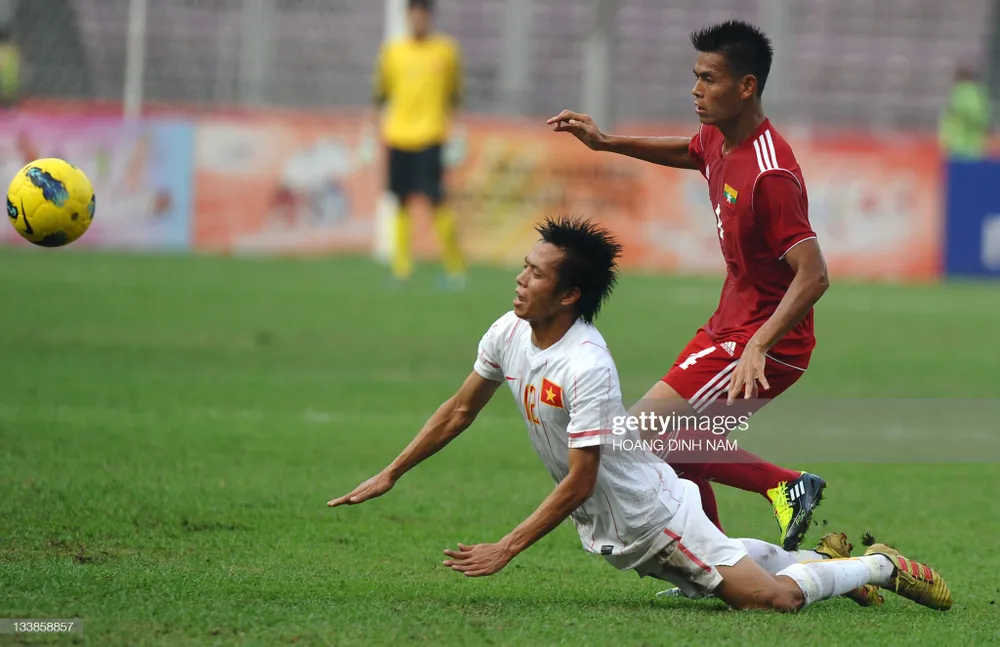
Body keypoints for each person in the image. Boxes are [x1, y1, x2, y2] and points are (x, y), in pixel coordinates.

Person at [329, 216, 950, 612]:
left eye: (535, 274)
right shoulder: (508, 332)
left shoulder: (586, 365)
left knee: (772, 603)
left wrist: (507, 547)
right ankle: (830, 561)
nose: (519, 280)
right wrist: (392, 471)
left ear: (569, 295)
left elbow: (580, 479)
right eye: (524, 266)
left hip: (654, 515)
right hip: (623, 528)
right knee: (733, 570)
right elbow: (460, 408)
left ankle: (881, 565)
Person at [547, 20, 830, 551]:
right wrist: (605, 142)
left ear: (746, 86)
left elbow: (814, 275)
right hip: (728, 327)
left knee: (639, 436)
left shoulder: (771, 175)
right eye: (695, 77)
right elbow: (690, 151)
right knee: (672, 446)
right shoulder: (721, 139)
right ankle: (723, 564)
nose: (696, 91)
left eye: (709, 79)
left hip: (767, 340)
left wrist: (758, 345)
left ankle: (785, 485)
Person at [371, 0, 467, 289]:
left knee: (437, 200)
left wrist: (459, 132)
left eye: (422, 14)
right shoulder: (393, 52)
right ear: (406, 16)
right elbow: (381, 94)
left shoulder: (446, 51)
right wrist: (370, 131)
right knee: (400, 200)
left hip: (430, 135)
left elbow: (455, 94)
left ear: (429, 17)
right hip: (398, 135)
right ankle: (402, 269)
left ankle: (455, 268)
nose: (417, 20)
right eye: (412, 14)